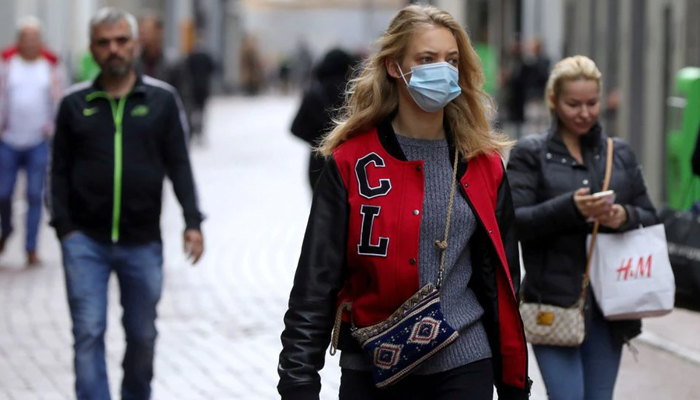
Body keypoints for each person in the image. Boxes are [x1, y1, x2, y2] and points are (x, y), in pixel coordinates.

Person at [278, 5, 530, 400]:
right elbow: (315, 281)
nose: (443, 70)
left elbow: (501, 281)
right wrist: (298, 381)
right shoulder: (350, 162)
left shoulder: (485, 166)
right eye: (426, 59)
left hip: (464, 362)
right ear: (395, 66)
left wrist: (515, 382)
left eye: (452, 60)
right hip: (373, 366)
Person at [47, 8, 204, 400]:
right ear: (92, 49)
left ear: (135, 45)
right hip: (84, 241)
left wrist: (192, 221)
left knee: (142, 335)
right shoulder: (73, 104)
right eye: (104, 42)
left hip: (142, 241)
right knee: (87, 331)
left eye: (121, 41)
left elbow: (179, 164)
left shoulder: (162, 101)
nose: (113, 49)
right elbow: (58, 171)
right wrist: (64, 228)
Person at [506, 56, 657, 400]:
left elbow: (651, 215)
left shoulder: (618, 153)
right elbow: (517, 221)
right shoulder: (532, 153)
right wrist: (571, 208)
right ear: (554, 101)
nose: (585, 112)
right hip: (553, 302)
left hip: (611, 303)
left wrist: (623, 216)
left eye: (592, 103)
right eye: (573, 104)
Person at [0, 16, 65, 265]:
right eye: (25, 37)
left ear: (40, 40)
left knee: (34, 196)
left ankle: (31, 247)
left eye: (34, 37)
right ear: (19, 41)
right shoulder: (8, 64)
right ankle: (5, 229)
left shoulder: (50, 66)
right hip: (9, 139)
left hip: (39, 139)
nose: (30, 42)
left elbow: (59, 99)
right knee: (3, 193)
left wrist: (55, 130)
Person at [290, 48, 355, 190]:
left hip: (319, 163)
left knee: (322, 209)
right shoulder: (354, 91)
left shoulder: (314, 92)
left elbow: (296, 128)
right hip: (350, 161)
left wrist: (320, 141)